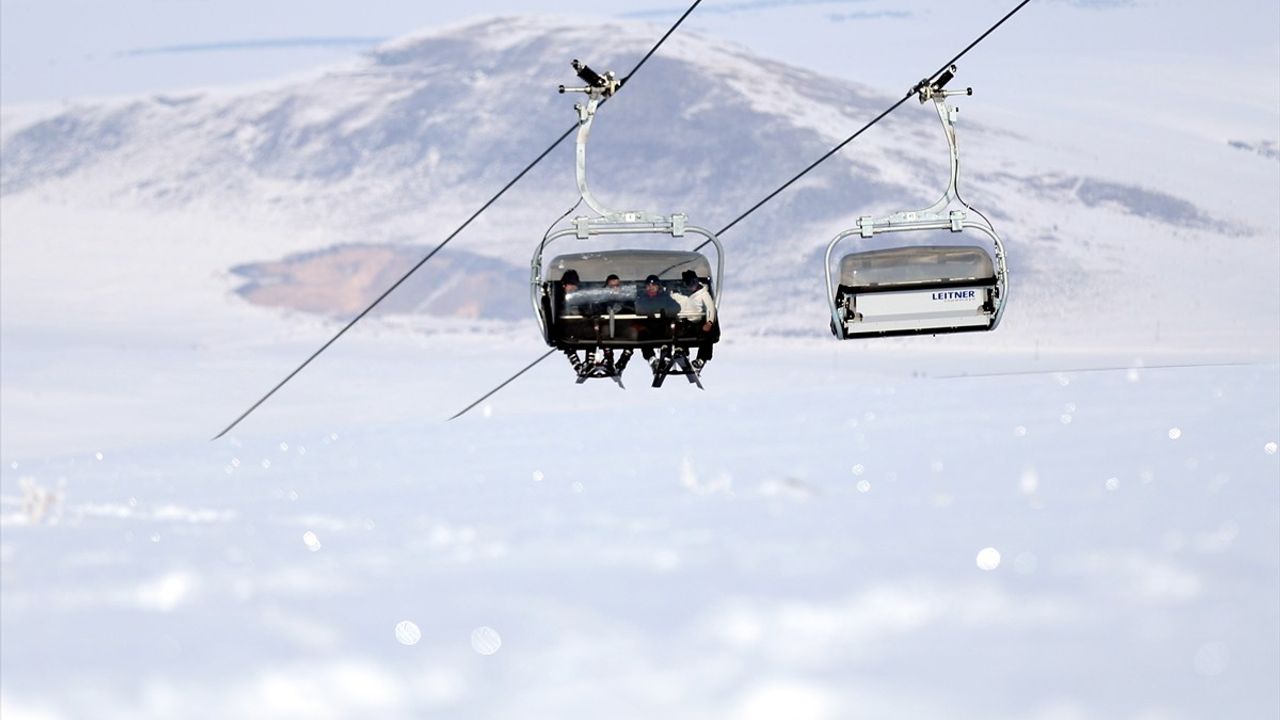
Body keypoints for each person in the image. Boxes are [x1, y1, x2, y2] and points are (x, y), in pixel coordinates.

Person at [670, 269, 717, 369]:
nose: (692, 285)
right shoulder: (682, 294)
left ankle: (701, 359)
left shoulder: (703, 294)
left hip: (698, 322)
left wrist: (709, 322)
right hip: (686, 322)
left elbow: (710, 308)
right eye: (689, 283)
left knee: (707, 335)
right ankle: (681, 350)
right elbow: (673, 297)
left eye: (693, 282)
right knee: (677, 328)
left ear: (696, 280)